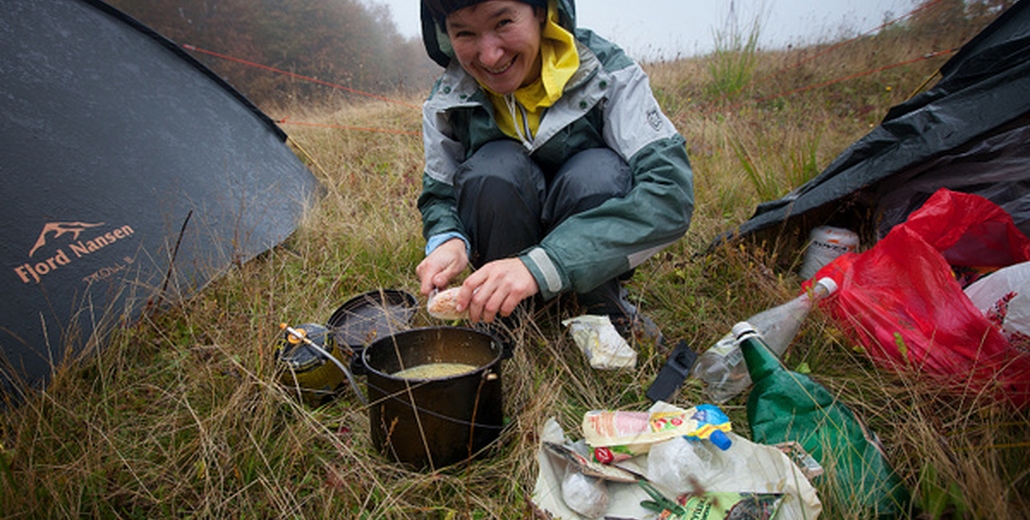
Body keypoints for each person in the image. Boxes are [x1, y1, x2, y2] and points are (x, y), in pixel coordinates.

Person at [415, 0, 694, 343]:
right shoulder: (447, 98)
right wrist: (448, 239)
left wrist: (541, 266)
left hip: (581, 248)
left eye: (503, 22)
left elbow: (670, 196)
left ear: (543, 11)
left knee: (598, 173)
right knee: (492, 169)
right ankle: (504, 320)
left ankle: (602, 308)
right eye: (465, 33)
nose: (489, 56)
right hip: (506, 254)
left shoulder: (607, 73)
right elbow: (439, 195)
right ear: (445, 33)